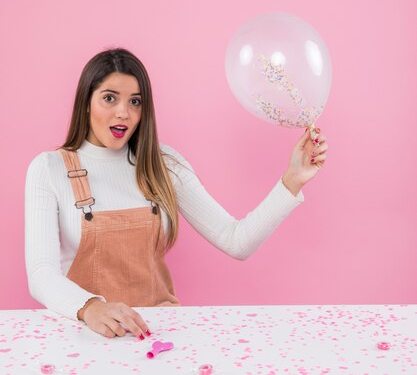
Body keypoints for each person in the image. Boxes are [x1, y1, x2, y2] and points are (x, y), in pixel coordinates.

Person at [25, 48, 328, 340]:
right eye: (109, 98)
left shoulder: (163, 164)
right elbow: (41, 273)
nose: (124, 113)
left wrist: (293, 179)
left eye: (135, 102)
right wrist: (92, 308)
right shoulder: (49, 168)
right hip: (85, 336)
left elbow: (237, 241)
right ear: (86, 102)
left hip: (155, 334)